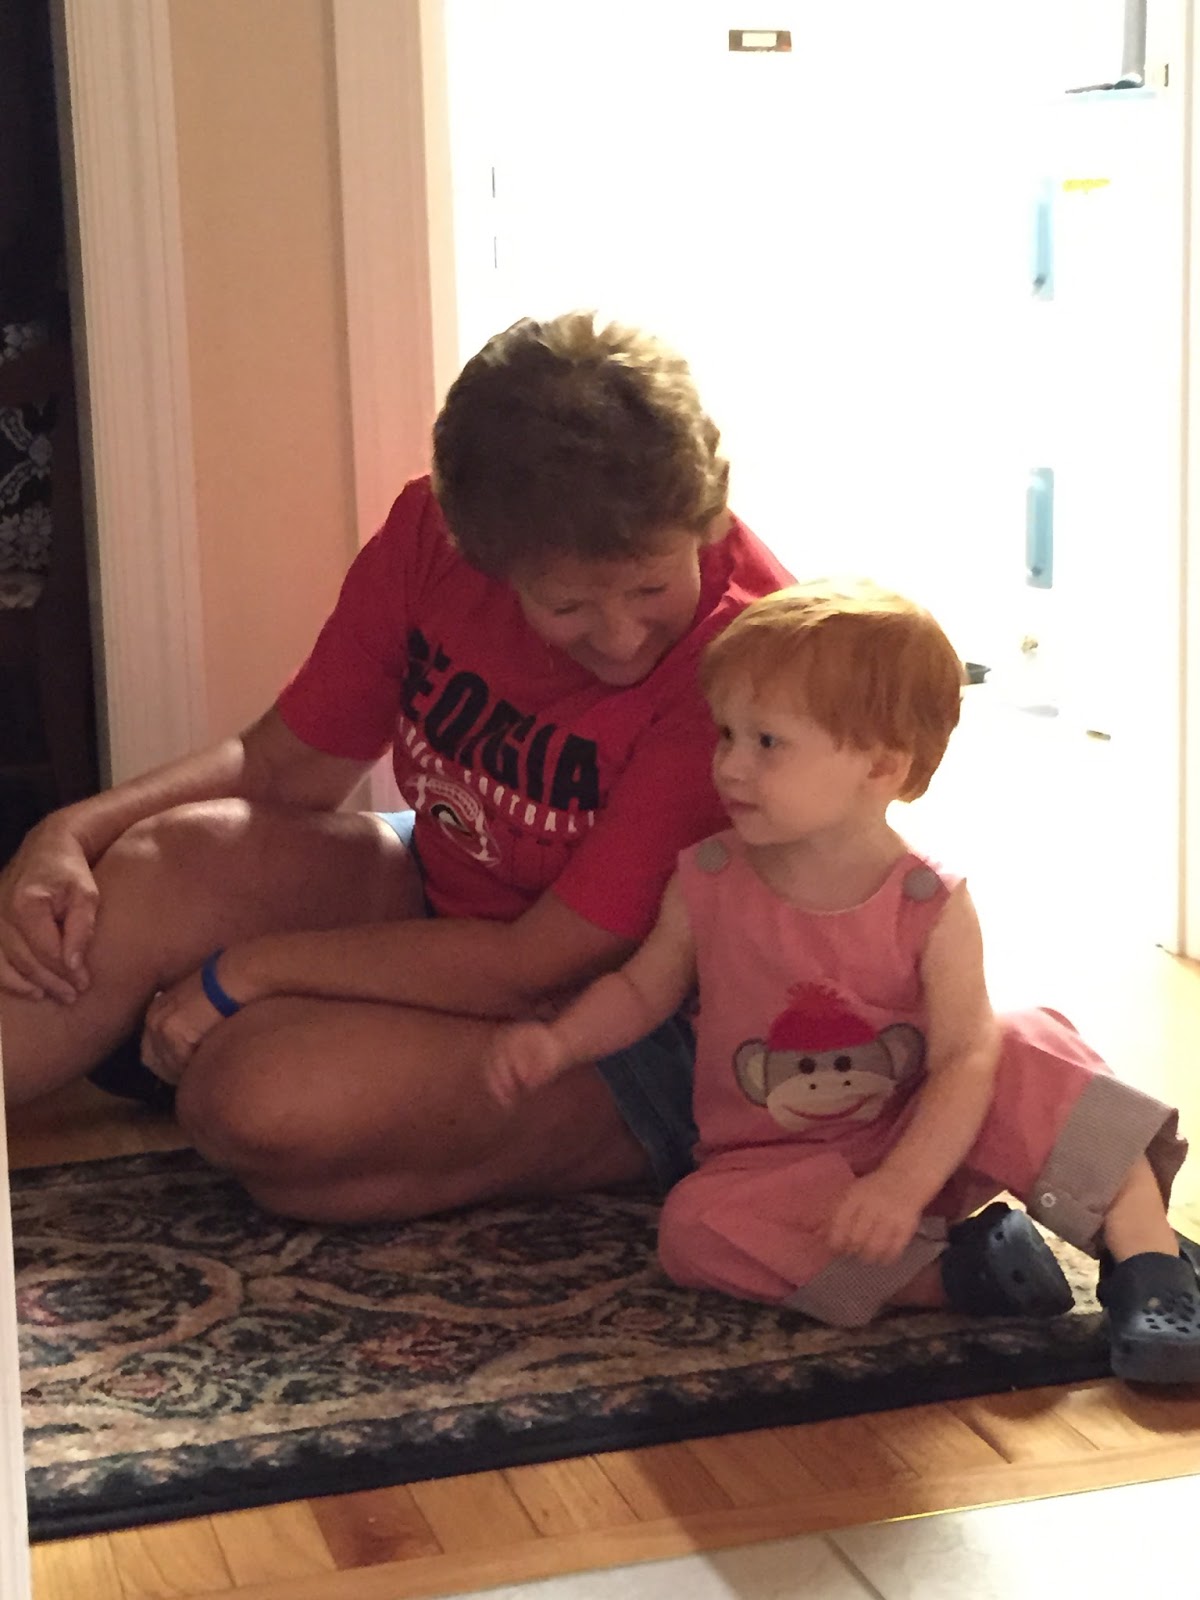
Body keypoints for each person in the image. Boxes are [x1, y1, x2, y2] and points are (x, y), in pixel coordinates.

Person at [0, 311, 793, 1223]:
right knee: (149, 867)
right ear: (483, 559)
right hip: (456, 884)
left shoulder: (744, 655)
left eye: (652, 586)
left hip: (630, 1006)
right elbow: (284, 767)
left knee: (254, 1095)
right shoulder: (433, 530)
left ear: (707, 519)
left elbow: (536, 963)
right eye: (568, 604)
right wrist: (70, 831)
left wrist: (248, 972)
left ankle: (654, 1126)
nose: (620, 637)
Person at [485, 579, 1200, 1383]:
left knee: (1025, 1039)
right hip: (780, 1169)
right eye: (727, 734)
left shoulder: (927, 901)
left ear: (881, 766)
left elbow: (964, 1059)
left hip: (929, 1136)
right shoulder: (709, 877)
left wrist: (905, 1181)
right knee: (694, 1226)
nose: (730, 765)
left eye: (767, 742)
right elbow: (641, 991)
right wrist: (560, 1042)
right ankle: (957, 1274)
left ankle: (1150, 1262)